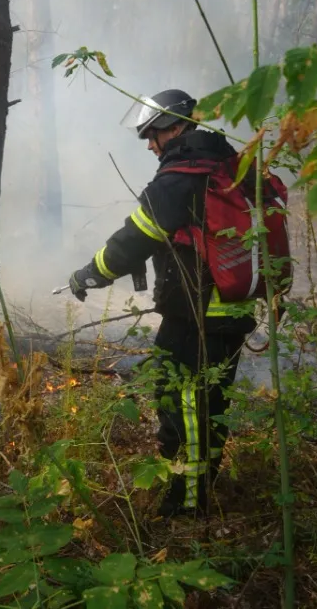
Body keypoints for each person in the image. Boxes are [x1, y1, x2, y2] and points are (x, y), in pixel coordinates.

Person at [66, 89, 261, 518]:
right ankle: (200, 486)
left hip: (196, 314)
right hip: (231, 309)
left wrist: (89, 273)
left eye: (153, 135)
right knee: (210, 403)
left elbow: (135, 238)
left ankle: (187, 506)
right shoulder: (229, 165)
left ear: (178, 126)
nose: (151, 145)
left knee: (182, 406)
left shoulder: (181, 176)